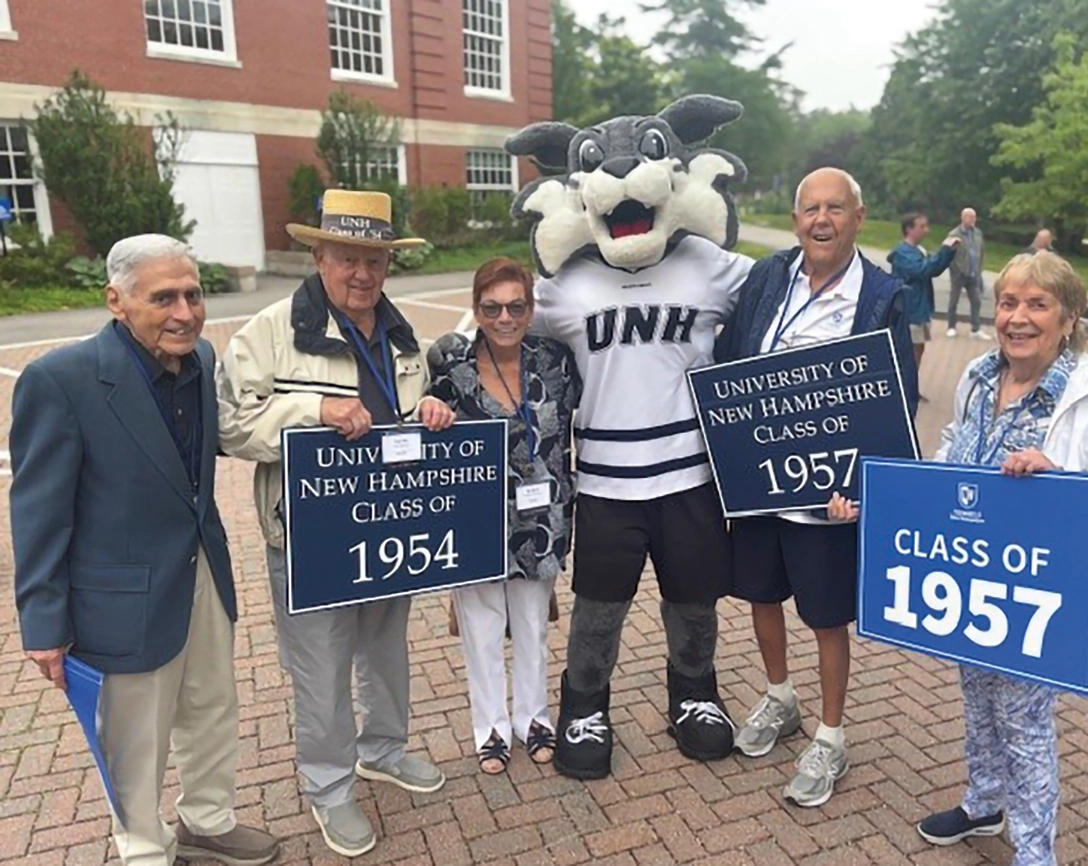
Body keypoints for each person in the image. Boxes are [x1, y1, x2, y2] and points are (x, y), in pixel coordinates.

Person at [832, 251, 1088, 866]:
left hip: (1043, 591)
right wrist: (878, 503)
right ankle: (984, 800)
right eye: (1009, 302)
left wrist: (1060, 478)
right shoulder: (981, 377)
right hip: (974, 578)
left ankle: (1035, 853)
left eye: (1037, 304)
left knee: (1025, 723)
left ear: (1069, 317)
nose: (1018, 317)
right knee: (978, 700)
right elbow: (953, 457)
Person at [505, 94, 756, 780]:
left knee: (695, 601)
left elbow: (781, 297)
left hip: (691, 474)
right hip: (608, 480)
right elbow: (501, 339)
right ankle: (584, 705)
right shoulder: (565, 286)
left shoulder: (708, 262)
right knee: (599, 608)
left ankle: (695, 694)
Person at [11, 235, 279, 866]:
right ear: (117, 301)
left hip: (203, 574)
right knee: (135, 738)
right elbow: (39, 513)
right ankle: (142, 847)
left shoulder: (201, 359)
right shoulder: (61, 380)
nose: (185, 311)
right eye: (163, 297)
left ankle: (207, 822)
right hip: (120, 597)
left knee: (212, 707)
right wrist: (44, 623)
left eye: (192, 293)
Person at [217, 190, 455, 858]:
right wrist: (312, 411)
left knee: (386, 649)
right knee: (320, 668)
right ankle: (327, 786)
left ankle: (383, 751)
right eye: (347, 258)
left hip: (391, 527)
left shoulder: (407, 337)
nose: (362, 274)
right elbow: (232, 425)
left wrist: (433, 411)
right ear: (318, 255)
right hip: (311, 534)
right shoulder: (268, 331)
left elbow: (409, 419)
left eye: (375, 260)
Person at [714, 167, 918, 808]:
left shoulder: (882, 295)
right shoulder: (768, 276)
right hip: (760, 479)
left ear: (859, 217)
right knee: (760, 594)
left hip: (827, 491)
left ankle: (832, 733)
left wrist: (862, 485)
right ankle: (780, 696)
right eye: (809, 209)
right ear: (796, 217)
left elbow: (897, 400)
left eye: (835, 208)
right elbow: (727, 361)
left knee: (827, 616)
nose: (820, 220)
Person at [426, 258, 581, 775]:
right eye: (491, 308)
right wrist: (429, 408)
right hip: (477, 519)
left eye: (517, 306)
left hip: (542, 518)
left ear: (531, 309)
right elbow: (423, 414)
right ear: (476, 310)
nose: (505, 317)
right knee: (482, 626)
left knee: (534, 624)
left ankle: (534, 718)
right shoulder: (451, 360)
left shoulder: (555, 361)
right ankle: (490, 727)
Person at [888, 212, 961, 396]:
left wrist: (949, 252)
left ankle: (909, 386)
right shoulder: (902, 253)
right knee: (907, 350)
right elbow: (923, 269)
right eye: (922, 226)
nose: (926, 230)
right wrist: (945, 250)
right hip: (909, 309)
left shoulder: (918, 251)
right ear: (909, 229)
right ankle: (900, 388)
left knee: (918, 348)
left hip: (919, 308)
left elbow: (933, 269)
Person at [947, 207, 991, 340]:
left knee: (976, 300)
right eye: (970, 217)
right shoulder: (954, 234)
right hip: (959, 273)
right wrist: (957, 270)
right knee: (954, 300)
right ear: (963, 218)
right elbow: (949, 254)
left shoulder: (977, 233)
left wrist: (979, 269)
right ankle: (951, 327)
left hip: (974, 272)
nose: (973, 220)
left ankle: (975, 328)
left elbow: (981, 251)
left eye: (974, 217)